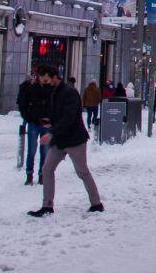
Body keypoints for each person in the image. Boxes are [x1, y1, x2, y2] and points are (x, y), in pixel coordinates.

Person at [27, 65, 102, 217]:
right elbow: (61, 115)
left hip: (74, 139)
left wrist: (51, 132)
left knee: (82, 171)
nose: (45, 83)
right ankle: (47, 206)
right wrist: (51, 122)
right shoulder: (56, 92)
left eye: (47, 80)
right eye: (43, 81)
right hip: (60, 139)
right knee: (47, 169)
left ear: (54, 76)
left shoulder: (69, 92)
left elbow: (69, 117)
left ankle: (96, 203)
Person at [16, 72, 50, 186]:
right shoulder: (31, 89)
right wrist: (29, 117)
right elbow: (23, 104)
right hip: (34, 123)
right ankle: (29, 174)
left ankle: (42, 175)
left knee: (44, 151)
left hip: (47, 123)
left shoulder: (50, 89)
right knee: (32, 150)